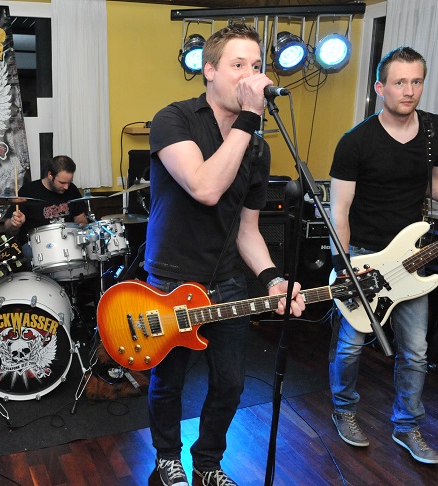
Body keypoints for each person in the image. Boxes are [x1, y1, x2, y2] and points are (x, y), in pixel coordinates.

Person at [144, 24, 306, 486]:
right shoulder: (173, 119)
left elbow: (247, 230)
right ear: (209, 70)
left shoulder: (258, 148)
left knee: (231, 382)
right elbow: (205, 187)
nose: (250, 75)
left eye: (256, 66)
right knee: (169, 380)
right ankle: (167, 458)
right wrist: (249, 120)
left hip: (228, 280)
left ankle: (208, 463)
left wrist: (273, 278)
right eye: (238, 65)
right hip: (172, 279)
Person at [328, 46, 438, 465]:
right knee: (351, 346)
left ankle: (407, 426)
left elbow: (437, 187)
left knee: (416, 351)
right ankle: (344, 409)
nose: (409, 90)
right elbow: (339, 211)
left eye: (416, 81)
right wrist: (344, 266)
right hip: (365, 257)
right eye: (400, 82)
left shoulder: (436, 131)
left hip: (412, 261)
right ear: (380, 87)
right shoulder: (355, 142)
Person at [4, 155, 89, 263]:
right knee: (28, 252)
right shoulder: (28, 191)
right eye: (62, 183)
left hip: (67, 243)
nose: (66, 187)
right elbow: (7, 227)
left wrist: (81, 225)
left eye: (69, 182)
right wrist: (14, 223)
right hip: (37, 246)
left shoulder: (72, 190)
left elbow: (80, 218)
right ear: (50, 175)